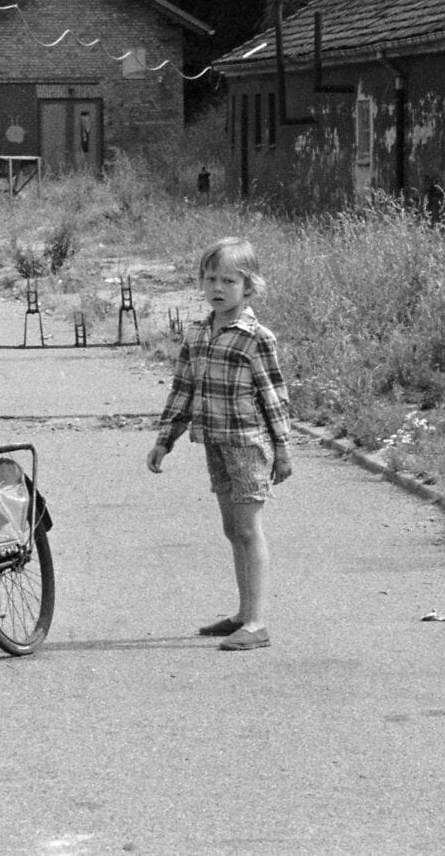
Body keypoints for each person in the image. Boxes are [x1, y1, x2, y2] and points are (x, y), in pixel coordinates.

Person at [146, 236, 293, 652]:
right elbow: (183, 390)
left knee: (248, 529)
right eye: (211, 279)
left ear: (249, 286)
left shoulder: (256, 337)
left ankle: (257, 623)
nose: (218, 288)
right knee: (232, 530)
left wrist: (283, 449)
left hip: (249, 444)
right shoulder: (197, 334)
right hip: (215, 442)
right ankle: (243, 614)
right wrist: (165, 439)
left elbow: (274, 396)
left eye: (229, 281)